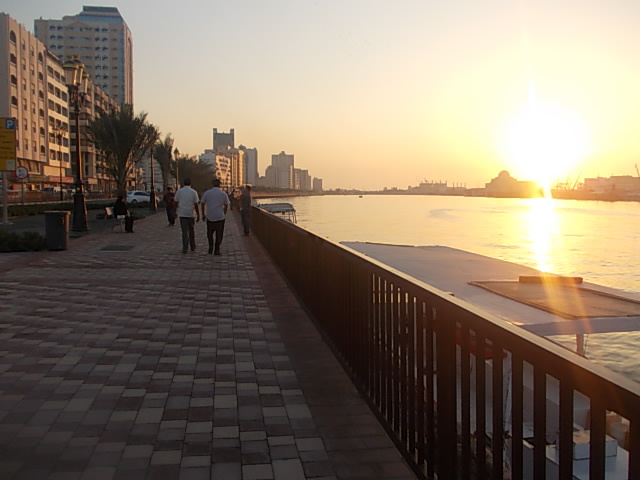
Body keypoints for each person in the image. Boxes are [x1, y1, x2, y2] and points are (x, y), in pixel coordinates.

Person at [200, 178, 230, 255]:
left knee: (209, 233)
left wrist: (203, 214)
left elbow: (202, 203)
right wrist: (224, 213)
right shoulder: (223, 194)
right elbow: (226, 205)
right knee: (219, 234)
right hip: (220, 216)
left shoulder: (207, 193)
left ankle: (210, 247)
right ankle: (217, 249)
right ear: (220, 184)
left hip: (210, 216)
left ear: (212, 184)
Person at [174, 178, 200, 253]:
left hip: (182, 213)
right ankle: (192, 246)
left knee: (184, 231)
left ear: (183, 183)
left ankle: (185, 247)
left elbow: (175, 202)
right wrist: (198, 214)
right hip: (191, 214)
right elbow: (196, 204)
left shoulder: (179, 191)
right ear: (190, 184)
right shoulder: (193, 192)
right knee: (191, 230)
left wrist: (174, 212)